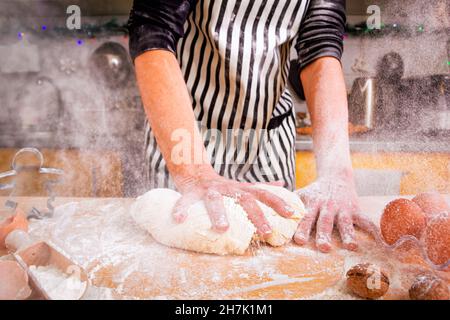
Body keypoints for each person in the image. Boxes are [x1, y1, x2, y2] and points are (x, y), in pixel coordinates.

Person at [128, 0, 371, 253]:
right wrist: (194, 173)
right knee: (180, 263)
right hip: (186, 142)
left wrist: (336, 173)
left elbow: (321, 49)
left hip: (268, 146)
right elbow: (152, 31)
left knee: (273, 256)